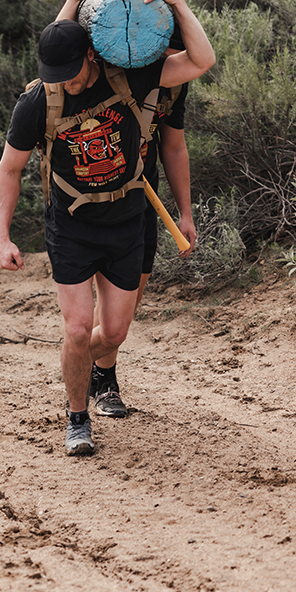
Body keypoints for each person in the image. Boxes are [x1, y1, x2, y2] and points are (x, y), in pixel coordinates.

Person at [0, 0, 215, 457]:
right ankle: (78, 419)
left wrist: (176, 1)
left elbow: (201, 61)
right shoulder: (39, 100)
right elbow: (9, 169)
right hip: (71, 223)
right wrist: (2, 236)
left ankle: (79, 366)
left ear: (93, 56)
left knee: (113, 333)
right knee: (77, 328)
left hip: (126, 218)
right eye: (56, 73)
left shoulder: (131, 78)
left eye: (71, 72)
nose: (64, 81)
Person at [88, 41, 197, 419]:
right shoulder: (115, 74)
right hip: (96, 197)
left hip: (140, 198)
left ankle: (87, 358)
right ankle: (103, 379)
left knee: (131, 296)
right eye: (162, 54)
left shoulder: (177, 82)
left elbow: (174, 146)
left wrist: (185, 212)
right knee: (110, 291)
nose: (169, 62)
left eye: (174, 54)